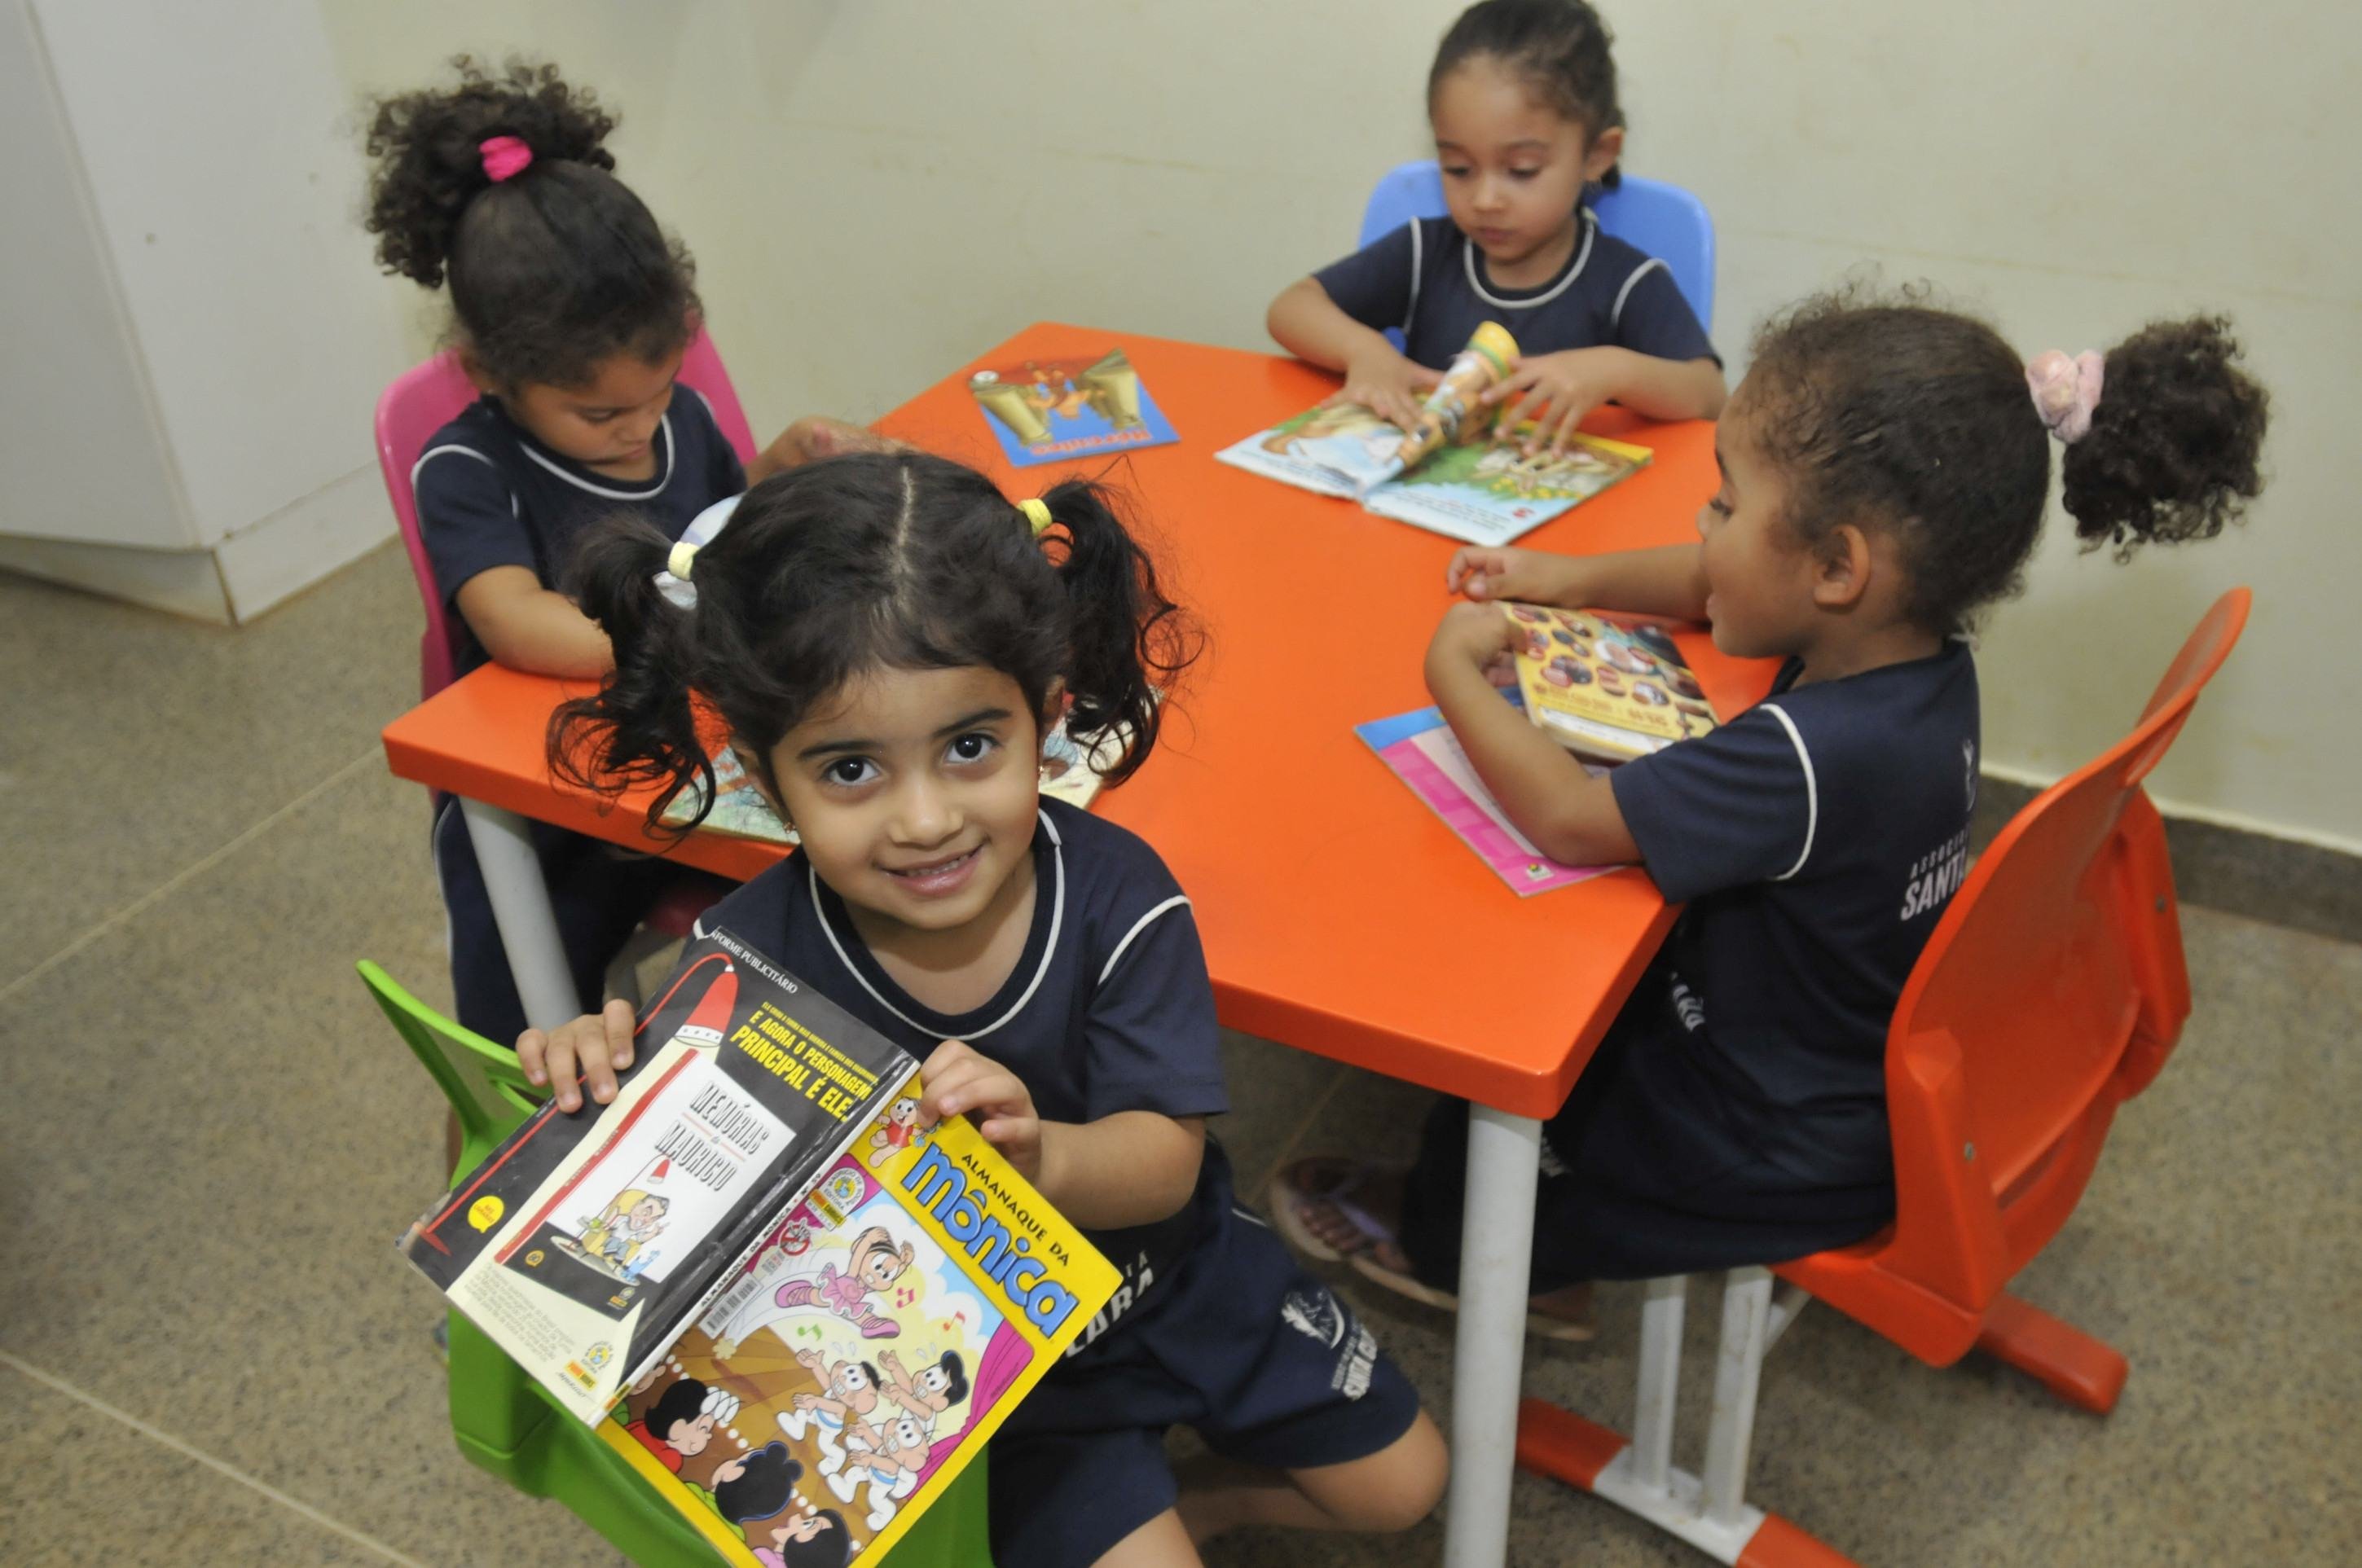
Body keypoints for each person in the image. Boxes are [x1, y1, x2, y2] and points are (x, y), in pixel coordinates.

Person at [1276, 290, 2268, 1333]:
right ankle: (1548, 1232)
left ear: (1838, 566)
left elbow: (1570, 818)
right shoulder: (1918, 664)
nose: (1704, 529)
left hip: (1772, 1136)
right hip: (1832, 1067)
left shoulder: (1808, 756)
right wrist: (1566, 578)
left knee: (1499, 1103)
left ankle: (1475, 1253)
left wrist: (1453, 671)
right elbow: (1714, 584)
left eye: (1724, 502)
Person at [521, 452, 1448, 1566]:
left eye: (969, 747)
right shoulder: (740, 958)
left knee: (1403, 1486)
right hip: (982, 1373)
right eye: (850, 769)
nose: (924, 820)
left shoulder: (1122, 897)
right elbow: (682, 1199)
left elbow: (1161, 1159)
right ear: (766, 783)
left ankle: (1193, 1501)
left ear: (1044, 721)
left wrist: (1036, 1158)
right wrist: (601, 1073)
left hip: (1184, 1276)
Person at [362, 57, 884, 1045]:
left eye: (662, 389)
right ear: (489, 372)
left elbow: (719, 534)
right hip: (545, 810)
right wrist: (679, 634)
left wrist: (785, 465)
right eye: (601, 412)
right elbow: (511, 618)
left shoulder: (673, 415)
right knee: (532, 1040)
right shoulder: (465, 466)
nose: (643, 429)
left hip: (685, 768)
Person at [1266, 0, 1723, 455]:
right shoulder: (1426, 252)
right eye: (1459, 168)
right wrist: (1363, 351)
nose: (1484, 200)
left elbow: (1709, 395)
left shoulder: (1626, 284)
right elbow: (1291, 308)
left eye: (1522, 171)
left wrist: (1616, 370)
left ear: (1597, 156)